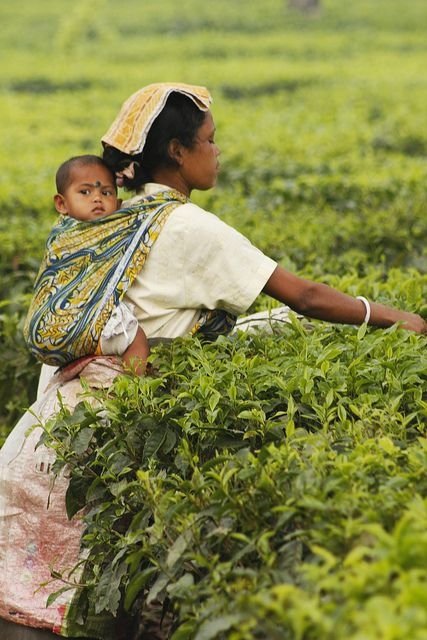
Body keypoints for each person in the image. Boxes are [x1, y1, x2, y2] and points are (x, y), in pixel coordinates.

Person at [1, 81, 426, 640]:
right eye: (210, 140)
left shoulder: (119, 219)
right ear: (178, 151)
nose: (217, 151)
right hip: (85, 450)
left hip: (41, 439)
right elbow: (305, 297)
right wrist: (403, 319)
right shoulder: (186, 225)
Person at [23, 155, 150, 376]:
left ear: (118, 204)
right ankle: (134, 392)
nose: (97, 199)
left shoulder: (116, 226)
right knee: (137, 339)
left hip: (64, 334)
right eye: (85, 192)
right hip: (74, 322)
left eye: (106, 192)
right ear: (61, 204)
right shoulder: (64, 236)